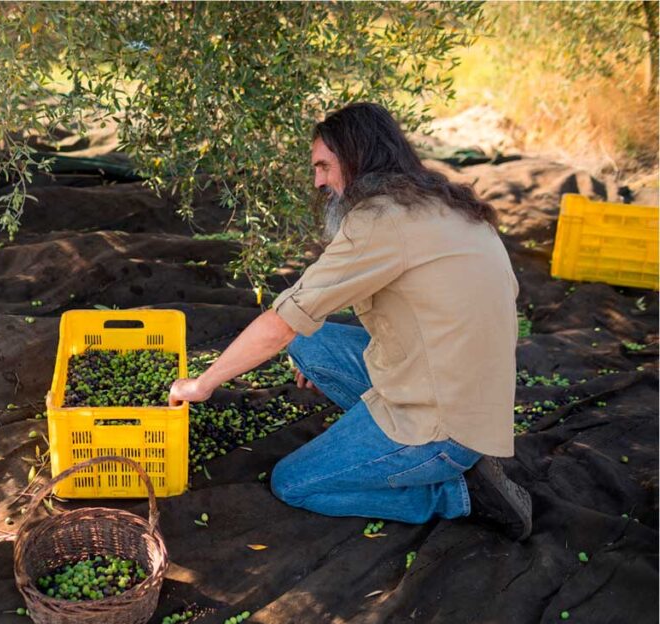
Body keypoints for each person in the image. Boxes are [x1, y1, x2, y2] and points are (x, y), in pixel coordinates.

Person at [169, 103, 532, 541]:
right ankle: (419, 451)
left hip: (441, 423)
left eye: (324, 166)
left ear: (357, 156)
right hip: (470, 394)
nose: (319, 181)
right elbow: (305, 322)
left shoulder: (380, 222)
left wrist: (201, 383)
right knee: (310, 343)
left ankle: (456, 492)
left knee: (294, 483)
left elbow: (282, 322)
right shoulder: (441, 202)